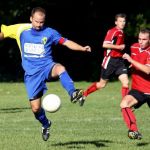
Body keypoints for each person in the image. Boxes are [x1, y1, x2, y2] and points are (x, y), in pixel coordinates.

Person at [0, 7, 91, 141]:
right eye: (36, 22)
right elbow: (3, 32)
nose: (38, 25)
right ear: (31, 19)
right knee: (36, 109)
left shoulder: (50, 32)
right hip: (32, 75)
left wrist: (82, 48)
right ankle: (46, 124)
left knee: (60, 68)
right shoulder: (21, 29)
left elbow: (66, 42)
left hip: (47, 67)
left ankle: (73, 92)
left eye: (41, 22)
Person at [82, 13, 129, 106]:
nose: (122, 23)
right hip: (110, 61)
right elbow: (105, 44)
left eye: (124, 21)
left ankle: (126, 104)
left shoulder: (121, 32)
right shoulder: (113, 31)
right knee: (101, 85)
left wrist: (122, 53)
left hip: (119, 61)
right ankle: (84, 94)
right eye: (120, 21)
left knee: (126, 82)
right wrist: (119, 47)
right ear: (116, 22)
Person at [120, 28, 150, 140]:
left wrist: (131, 60)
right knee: (124, 104)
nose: (141, 41)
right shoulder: (134, 47)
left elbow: (147, 70)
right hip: (138, 89)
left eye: (144, 39)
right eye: (139, 39)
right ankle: (134, 131)